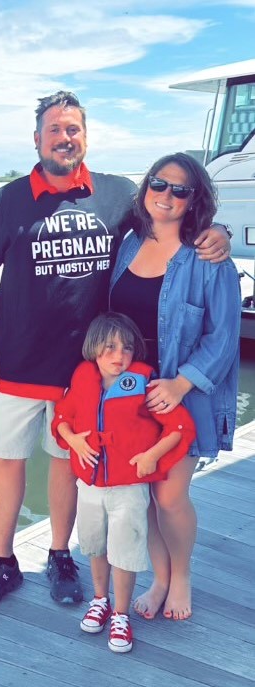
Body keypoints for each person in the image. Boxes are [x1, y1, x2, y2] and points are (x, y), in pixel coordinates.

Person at [0, 91, 230, 617]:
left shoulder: (116, 196)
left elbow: (175, 222)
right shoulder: (7, 200)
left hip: (85, 371)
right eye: (55, 129)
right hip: (15, 360)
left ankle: (61, 556)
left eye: (74, 129)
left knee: (71, 461)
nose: (65, 138)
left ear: (86, 136)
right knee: (6, 459)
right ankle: (0, 560)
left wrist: (216, 230)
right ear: (37, 138)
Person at [109, 152, 241, 620]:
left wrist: (181, 384)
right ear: (146, 187)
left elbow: (224, 337)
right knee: (145, 492)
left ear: (194, 200)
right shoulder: (128, 243)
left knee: (169, 494)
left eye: (180, 190)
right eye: (159, 184)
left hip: (180, 397)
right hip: (130, 395)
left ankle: (181, 575)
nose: (166, 195)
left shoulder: (209, 258)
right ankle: (160, 579)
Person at [52, 312, 195, 652]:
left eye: (127, 348)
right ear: (94, 349)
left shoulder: (142, 384)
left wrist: (150, 457)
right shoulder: (82, 380)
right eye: (110, 347)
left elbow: (178, 427)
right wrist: (74, 440)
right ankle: (100, 600)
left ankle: (120, 615)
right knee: (95, 545)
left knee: (124, 550)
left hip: (128, 490)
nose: (119, 356)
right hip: (89, 487)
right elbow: (61, 418)